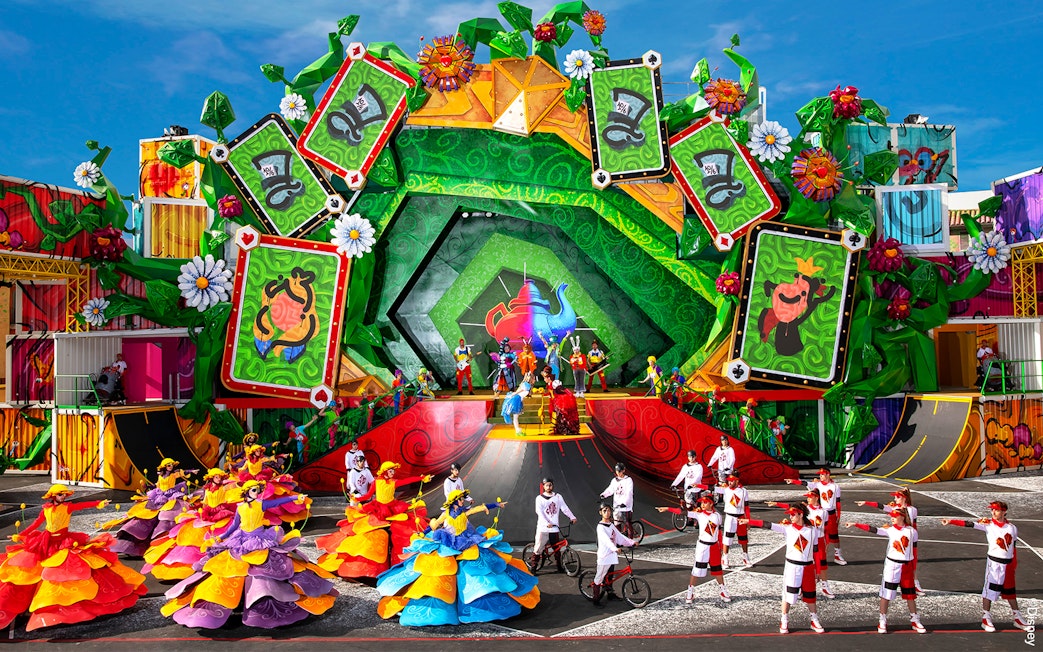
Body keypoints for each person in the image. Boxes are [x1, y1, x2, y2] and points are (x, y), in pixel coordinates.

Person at [162, 480, 337, 628]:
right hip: (241, 539)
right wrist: (223, 537)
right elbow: (234, 526)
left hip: (260, 537)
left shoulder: (261, 504)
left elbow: (278, 502)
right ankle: (235, 600)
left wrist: (296, 497)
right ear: (247, 492)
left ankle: (274, 598)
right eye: (254, 490)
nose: (257, 493)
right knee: (233, 567)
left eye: (258, 490)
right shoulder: (240, 508)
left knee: (269, 564)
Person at [375, 490, 538, 626]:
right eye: (460, 499)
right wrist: (423, 534)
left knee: (481, 564)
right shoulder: (446, 514)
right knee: (438, 570)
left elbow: (477, 509)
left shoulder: (463, 511)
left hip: (465, 540)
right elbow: (434, 525)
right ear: (454, 501)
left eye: (462, 499)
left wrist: (496, 505)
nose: (463, 501)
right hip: (449, 542)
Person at [0, 484, 146, 631]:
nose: (62, 497)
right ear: (52, 496)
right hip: (46, 541)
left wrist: (98, 503)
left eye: (64, 495)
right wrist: (21, 535)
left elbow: (82, 506)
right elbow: (36, 524)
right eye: (59, 494)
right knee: (33, 568)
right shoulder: (46, 509)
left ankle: (63, 604)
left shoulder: (68, 507)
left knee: (65, 569)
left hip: (64, 541)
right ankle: (29, 600)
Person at [316, 461, 432, 579]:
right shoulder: (377, 482)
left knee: (403, 525)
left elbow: (408, 480)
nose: (392, 473)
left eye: (393, 471)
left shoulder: (393, 482)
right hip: (378, 508)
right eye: (390, 471)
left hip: (392, 507)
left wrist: (422, 478)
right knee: (368, 529)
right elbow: (368, 495)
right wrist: (357, 498)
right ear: (385, 471)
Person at [941, 501, 1030, 632]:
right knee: (989, 589)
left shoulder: (1012, 528)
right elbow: (970, 524)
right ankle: (986, 617)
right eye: (992, 510)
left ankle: (1017, 617)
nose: (993, 512)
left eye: (996, 510)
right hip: (994, 563)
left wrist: (1013, 564)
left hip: (1008, 563)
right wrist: (951, 521)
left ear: (1004, 512)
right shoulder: (988, 524)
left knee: (1010, 591)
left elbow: (1013, 547)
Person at [741, 504, 825, 634]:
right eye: (790, 515)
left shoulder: (812, 531)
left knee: (811, 595)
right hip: (792, 567)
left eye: (793, 514)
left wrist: (818, 571)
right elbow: (768, 525)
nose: (790, 517)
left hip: (808, 567)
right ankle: (784, 619)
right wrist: (749, 521)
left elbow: (816, 552)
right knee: (788, 594)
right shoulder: (788, 529)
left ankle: (814, 620)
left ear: (801, 514)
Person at [142, 467, 238, 580]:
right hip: (208, 512)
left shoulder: (223, 488)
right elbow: (205, 500)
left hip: (221, 511)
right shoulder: (207, 489)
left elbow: (228, 496)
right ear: (212, 478)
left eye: (220, 477)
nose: (218, 479)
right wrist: (197, 505)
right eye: (216, 477)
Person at [846, 508, 926, 634]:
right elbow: (874, 530)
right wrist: (856, 524)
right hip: (892, 565)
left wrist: (913, 568)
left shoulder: (912, 532)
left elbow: (914, 551)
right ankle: (882, 620)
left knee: (910, 594)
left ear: (902, 517)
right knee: (886, 594)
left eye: (894, 516)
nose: (892, 518)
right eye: (891, 516)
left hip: (906, 566)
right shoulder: (890, 530)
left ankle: (915, 620)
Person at [107, 457, 192, 556]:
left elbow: (183, 472)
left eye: (172, 465)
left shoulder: (174, 474)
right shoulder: (161, 475)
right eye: (169, 465)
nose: (171, 467)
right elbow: (157, 486)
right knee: (147, 515)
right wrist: (147, 487)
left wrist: (191, 471)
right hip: (159, 495)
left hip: (171, 496)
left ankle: (162, 541)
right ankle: (131, 543)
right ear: (164, 467)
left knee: (167, 516)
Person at [657, 494, 730, 604]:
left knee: (717, 570)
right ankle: (690, 591)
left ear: (711, 503)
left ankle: (723, 590)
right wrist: (668, 508)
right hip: (703, 546)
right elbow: (683, 512)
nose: (703, 504)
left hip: (714, 546)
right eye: (702, 502)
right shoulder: (699, 515)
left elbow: (718, 532)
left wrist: (720, 547)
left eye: (705, 502)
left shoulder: (717, 516)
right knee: (697, 570)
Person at [857, 487, 925, 596]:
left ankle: (915, 583)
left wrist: (914, 539)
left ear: (905, 498)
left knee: (912, 563)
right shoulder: (895, 508)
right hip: (897, 538)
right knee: (892, 560)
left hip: (908, 539)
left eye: (898, 496)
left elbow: (913, 525)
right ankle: (887, 586)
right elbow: (881, 506)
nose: (895, 498)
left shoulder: (912, 510)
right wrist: (866, 503)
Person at [768, 489, 834, 598]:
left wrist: (827, 541)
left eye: (810, 497)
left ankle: (824, 585)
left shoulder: (824, 512)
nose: (808, 499)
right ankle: (799, 588)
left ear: (816, 498)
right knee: (804, 563)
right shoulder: (805, 509)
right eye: (807, 497)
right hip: (805, 539)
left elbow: (826, 528)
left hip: (820, 540)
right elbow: (791, 508)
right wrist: (777, 504)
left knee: (822, 564)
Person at [787, 468, 847, 565]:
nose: (820, 476)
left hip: (831, 514)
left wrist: (838, 516)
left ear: (827, 474)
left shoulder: (835, 486)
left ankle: (837, 555)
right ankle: (820, 558)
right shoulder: (818, 485)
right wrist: (793, 481)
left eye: (822, 475)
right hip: (820, 513)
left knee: (834, 536)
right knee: (822, 536)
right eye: (820, 475)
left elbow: (838, 503)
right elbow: (806, 484)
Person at [591, 504, 638, 607]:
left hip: (611, 555)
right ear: (600, 512)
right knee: (599, 577)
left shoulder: (611, 525)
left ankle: (610, 594)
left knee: (610, 576)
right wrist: (615, 548)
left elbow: (619, 536)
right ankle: (595, 599)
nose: (607, 512)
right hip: (605, 556)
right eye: (605, 511)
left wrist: (631, 542)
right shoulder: (600, 527)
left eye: (608, 510)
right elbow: (606, 541)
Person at [531, 477, 576, 572]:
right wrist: (547, 523)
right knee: (538, 548)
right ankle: (533, 567)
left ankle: (559, 566)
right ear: (543, 486)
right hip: (543, 528)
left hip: (554, 528)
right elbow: (539, 512)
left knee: (556, 548)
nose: (549, 487)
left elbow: (564, 508)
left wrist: (572, 517)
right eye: (546, 485)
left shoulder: (558, 497)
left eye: (550, 485)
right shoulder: (539, 498)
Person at [714, 473, 752, 569]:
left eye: (732, 480)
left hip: (741, 517)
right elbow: (711, 488)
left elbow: (746, 507)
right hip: (730, 517)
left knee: (743, 539)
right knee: (727, 538)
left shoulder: (743, 491)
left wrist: (748, 520)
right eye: (729, 480)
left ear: (737, 481)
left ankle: (745, 557)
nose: (729, 482)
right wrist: (697, 485)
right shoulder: (725, 490)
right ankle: (725, 558)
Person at [600, 462, 635, 535]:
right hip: (616, 506)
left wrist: (625, 503)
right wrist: (604, 494)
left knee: (627, 523)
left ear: (623, 470)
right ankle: (618, 539)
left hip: (625, 507)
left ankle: (631, 540)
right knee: (616, 523)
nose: (618, 473)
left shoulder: (628, 480)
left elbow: (629, 493)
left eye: (619, 471)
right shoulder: (614, 480)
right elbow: (610, 489)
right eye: (617, 471)